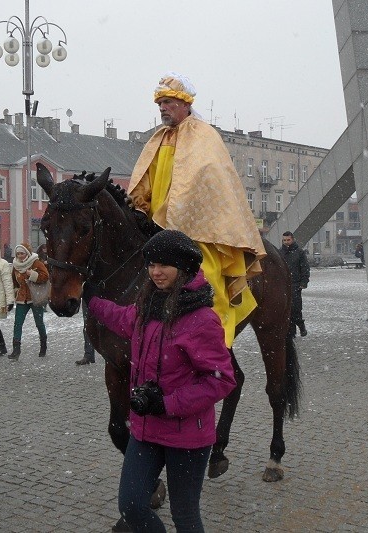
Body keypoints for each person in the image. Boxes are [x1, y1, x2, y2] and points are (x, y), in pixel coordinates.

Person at [88, 230, 237, 533]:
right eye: (152, 264)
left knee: (184, 515)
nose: (156, 272)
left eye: (164, 265)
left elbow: (221, 379)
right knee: (131, 505)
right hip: (145, 429)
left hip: (187, 436)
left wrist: (167, 403)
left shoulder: (202, 319)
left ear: (184, 269)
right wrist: (91, 299)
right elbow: (122, 318)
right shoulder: (147, 307)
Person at [128, 72, 267, 349]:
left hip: (200, 229)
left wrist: (185, 214)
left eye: (168, 102)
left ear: (184, 103)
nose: (163, 108)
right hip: (158, 227)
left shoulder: (205, 136)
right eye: (160, 104)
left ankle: (211, 339)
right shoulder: (159, 138)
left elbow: (214, 184)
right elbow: (146, 178)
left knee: (207, 276)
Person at [9, 243, 50, 359]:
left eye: (22, 253)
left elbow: (46, 276)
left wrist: (32, 274)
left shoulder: (36, 262)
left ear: (27, 253)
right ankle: (16, 350)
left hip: (35, 297)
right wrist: (16, 291)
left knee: (39, 323)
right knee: (18, 323)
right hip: (22, 299)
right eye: (18, 254)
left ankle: (43, 345)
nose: (20, 256)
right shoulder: (15, 265)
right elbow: (14, 281)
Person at [280, 231, 310, 337]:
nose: (286, 242)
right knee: (287, 309)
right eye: (284, 240)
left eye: (288, 240)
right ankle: (291, 332)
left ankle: (301, 325)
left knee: (295, 308)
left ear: (293, 239)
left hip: (296, 284)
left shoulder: (299, 252)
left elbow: (305, 268)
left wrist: (304, 282)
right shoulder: (280, 252)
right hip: (284, 285)